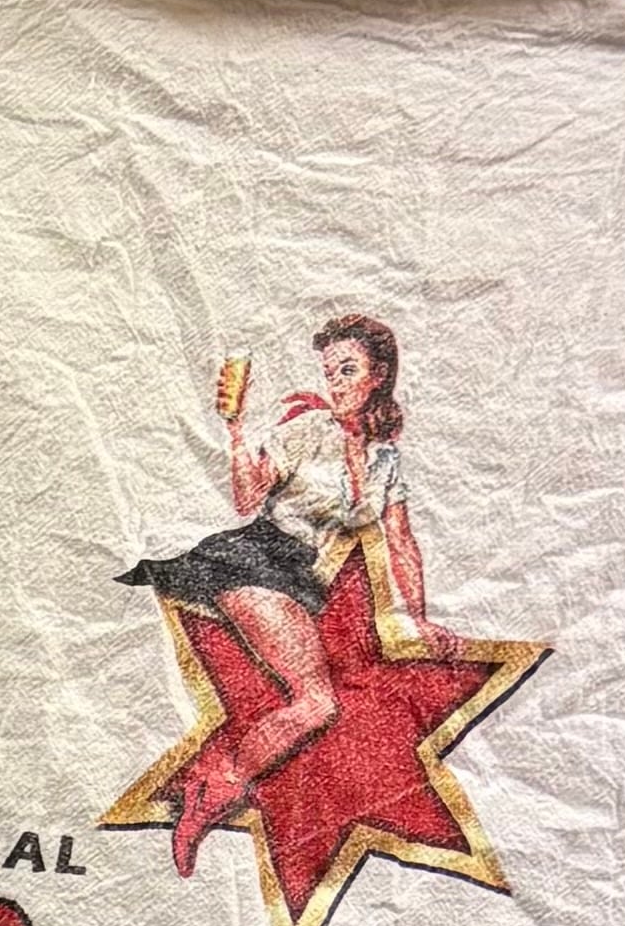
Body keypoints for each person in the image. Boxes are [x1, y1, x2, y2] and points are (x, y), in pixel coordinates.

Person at [120, 313, 452, 875]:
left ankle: (212, 786)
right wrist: (235, 429)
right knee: (316, 703)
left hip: (298, 576)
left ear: (379, 375)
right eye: (330, 372)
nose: (336, 383)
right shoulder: (307, 431)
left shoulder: (385, 459)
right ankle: (211, 791)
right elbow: (248, 498)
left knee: (319, 705)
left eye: (348, 370)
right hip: (254, 558)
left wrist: (418, 618)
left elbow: (401, 541)